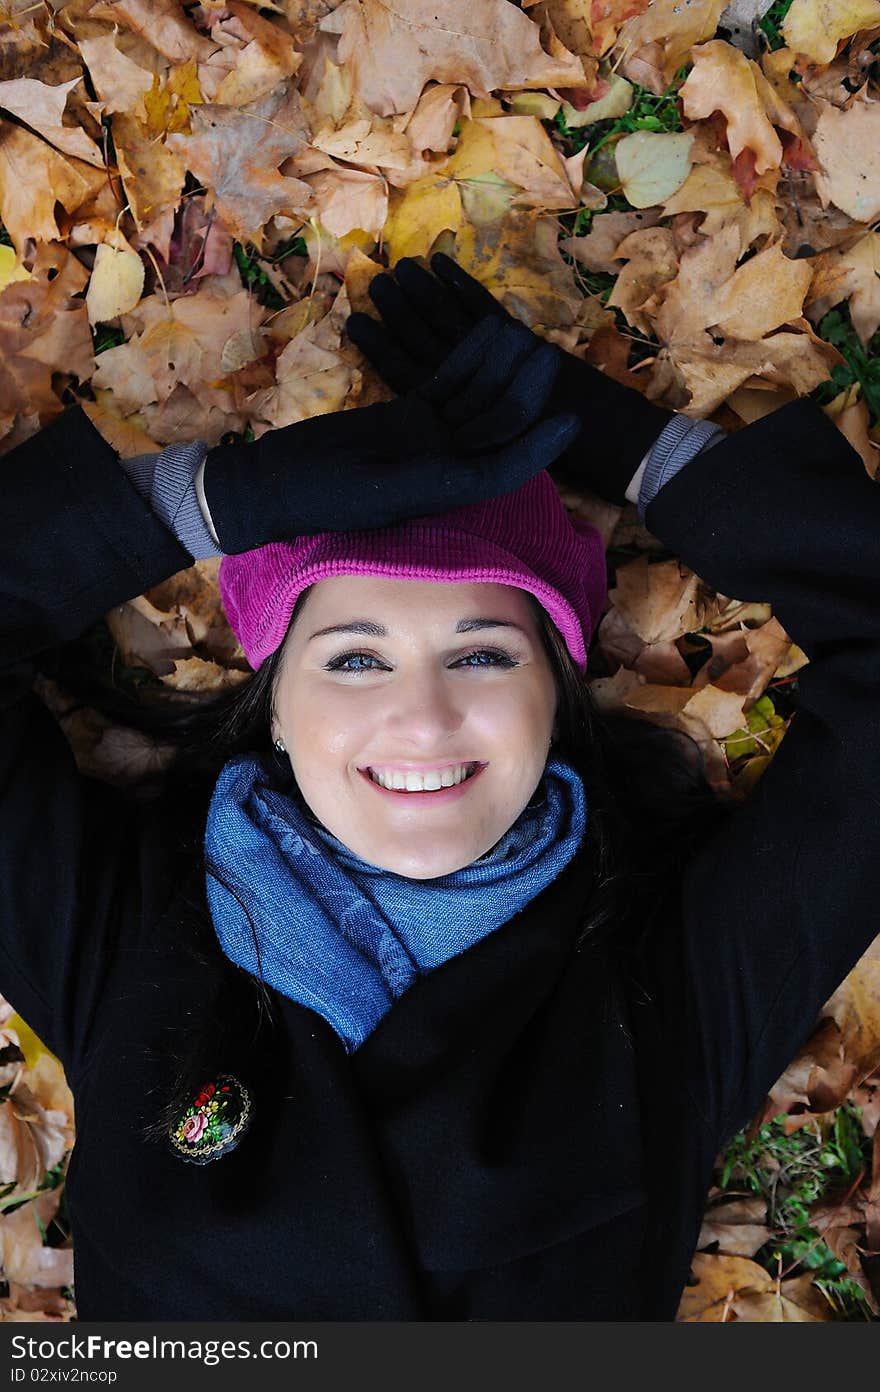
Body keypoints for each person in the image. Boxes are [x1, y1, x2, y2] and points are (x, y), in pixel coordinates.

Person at [1, 252, 877, 1321]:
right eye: (355, 658)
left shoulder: (669, 987)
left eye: (482, 655)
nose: (422, 718)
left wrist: (610, 437)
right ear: (274, 705)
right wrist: (221, 499)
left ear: (556, 694)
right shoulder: (133, 932)